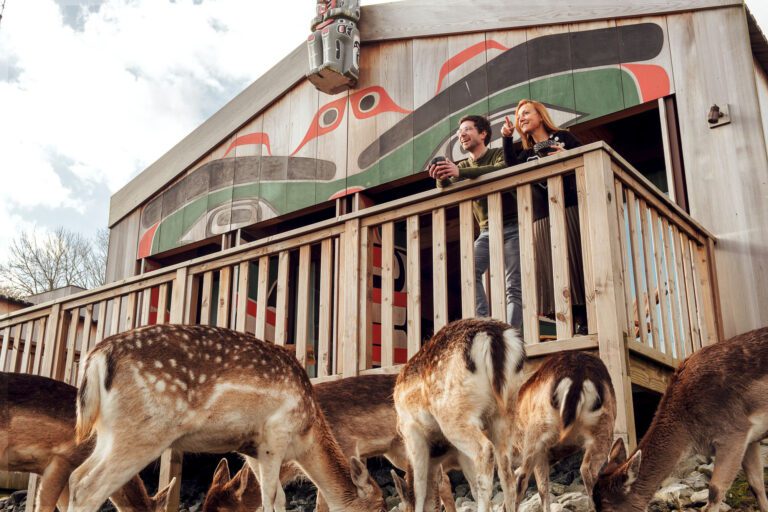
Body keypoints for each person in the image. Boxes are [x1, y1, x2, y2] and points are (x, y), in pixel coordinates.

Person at [428, 115, 522, 329]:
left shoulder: (498, 154)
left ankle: (512, 333)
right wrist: (440, 173)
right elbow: (444, 187)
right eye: (460, 131)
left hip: (513, 226)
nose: (461, 134)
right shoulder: (463, 165)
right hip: (487, 230)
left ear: (483, 134)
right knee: (469, 269)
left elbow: (500, 169)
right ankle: (485, 325)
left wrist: (459, 171)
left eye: (467, 129)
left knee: (514, 285)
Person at [501, 99, 582, 165]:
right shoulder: (527, 154)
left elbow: (585, 158)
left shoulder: (564, 136)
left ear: (541, 116)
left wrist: (568, 155)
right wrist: (507, 137)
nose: (521, 120)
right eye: (518, 118)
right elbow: (512, 166)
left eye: (526, 113)